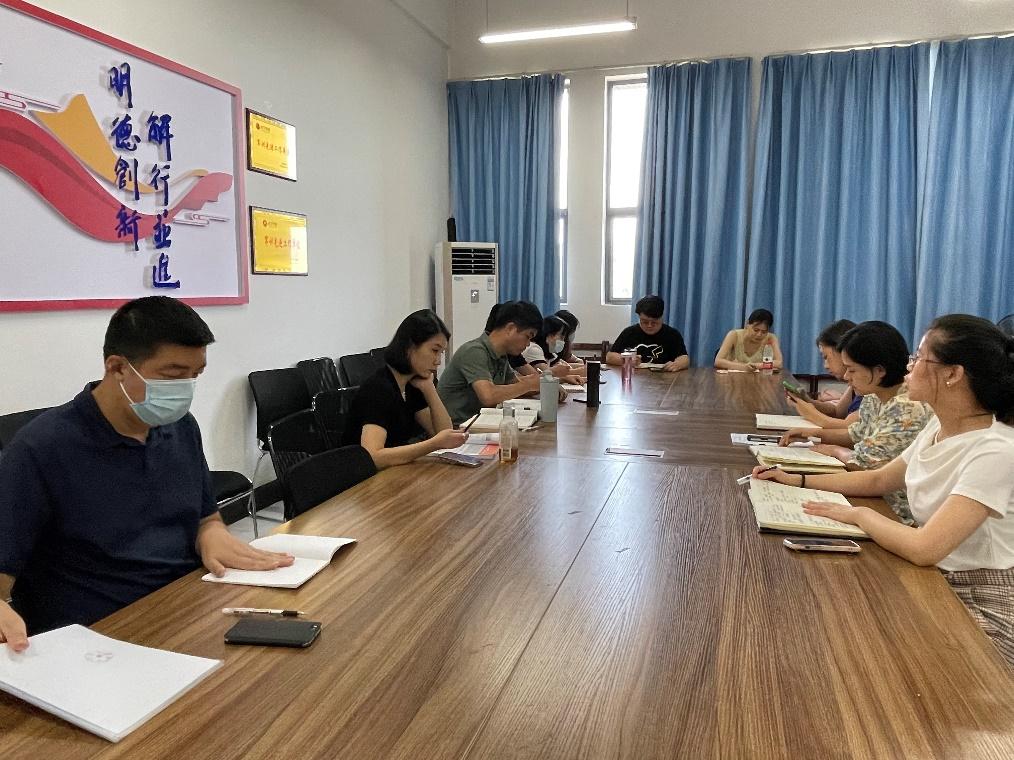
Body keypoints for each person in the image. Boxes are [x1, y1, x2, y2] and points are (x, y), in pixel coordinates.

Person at [0, 296, 293, 651]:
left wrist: (212, 533)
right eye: (173, 375)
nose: (186, 388)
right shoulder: (41, 449)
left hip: (189, 606)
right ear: (117, 367)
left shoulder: (180, 427)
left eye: (196, 375)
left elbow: (206, 517)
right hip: (101, 637)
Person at [754, 314, 1014, 667]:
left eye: (920, 358)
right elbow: (878, 480)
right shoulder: (939, 426)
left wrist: (859, 515)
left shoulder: (996, 449)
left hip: (983, 599)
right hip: (936, 578)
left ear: (953, 374)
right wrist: (795, 479)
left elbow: (925, 548)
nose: (909, 367)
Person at [779, 321, 933, 523]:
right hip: (870, 496)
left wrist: (835, 450)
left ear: (879, 371)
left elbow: (864, 465)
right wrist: (814, 434)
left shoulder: (907, 408)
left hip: (892, 511)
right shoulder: (874, 395)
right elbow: (855, 434)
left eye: (851, 370)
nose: (846, 376)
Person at [345, 310, 468, 469]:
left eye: (441, 353)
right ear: (410, 347)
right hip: (362, 477)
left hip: (394, 470)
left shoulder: (412, 384)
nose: (438, 361)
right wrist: (433, 444)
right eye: (434, 350)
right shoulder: (378, 388)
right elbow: (373, 456)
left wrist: (429, 388)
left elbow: (444, 433)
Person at [438, 300, 545, 425]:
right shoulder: (474, 351)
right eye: (528, 336)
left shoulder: (501, 355)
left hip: (476, 425)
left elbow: (515, 386)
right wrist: (529, 384)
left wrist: (545, 384)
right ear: (510, 328)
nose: (527, 344)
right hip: (456, 428)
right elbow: (488, 396)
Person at [786, 319, 861, 429]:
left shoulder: (868, 386)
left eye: (826, 357)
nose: (825, 365)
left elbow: (848, 429)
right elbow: (837, 412)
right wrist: (807, 401)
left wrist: (810, 413)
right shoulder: (855, 384)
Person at [606, 295, 689, 372]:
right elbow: (609, 357)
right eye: (645, 322)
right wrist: (627, 359)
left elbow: (684, 358)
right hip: (635, 378)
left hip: (663, 378)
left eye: (654, 322)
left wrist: (677, 364)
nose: (649, 325)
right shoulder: (629, 332)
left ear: (661, 317)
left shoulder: (672, 334)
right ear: (639, 317)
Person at [714, 309, 783, 372]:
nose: (759, 334)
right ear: (747, 324)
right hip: (732, 378)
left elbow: (779, 363)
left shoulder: (771, 338)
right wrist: (743, 367)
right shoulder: (733, 335)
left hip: (757, 379)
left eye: (764, 332)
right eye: (756, 330)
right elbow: (718, 361)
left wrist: (756, 366)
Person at [522, 314, 584, 383]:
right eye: (561, 337)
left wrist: (566, 378)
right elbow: (547, 376)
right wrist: (583, 371)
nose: (563, 342)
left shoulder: (550, 353)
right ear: (549, 335)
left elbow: (564, 369)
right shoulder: (534, 349)